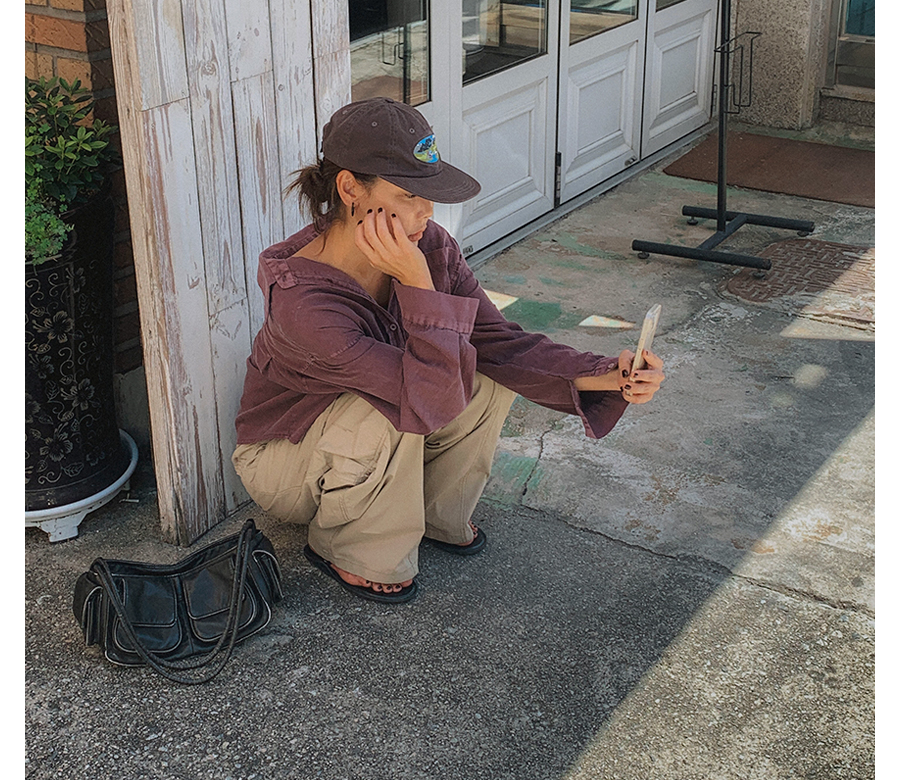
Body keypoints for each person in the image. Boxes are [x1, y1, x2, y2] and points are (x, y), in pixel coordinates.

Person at [232, 97, 664, 604]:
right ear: (349, 189)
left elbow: (497, 342)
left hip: (378, 429)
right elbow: (422, 401)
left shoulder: (429, 244)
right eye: (407, 194)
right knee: (392, 404)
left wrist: (608, 374)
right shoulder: (304, 304)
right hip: (287, 463)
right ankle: (353, 548)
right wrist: (418, 284)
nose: (426, 212)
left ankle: (435, 513)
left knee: (481, 375)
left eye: (429, 193)